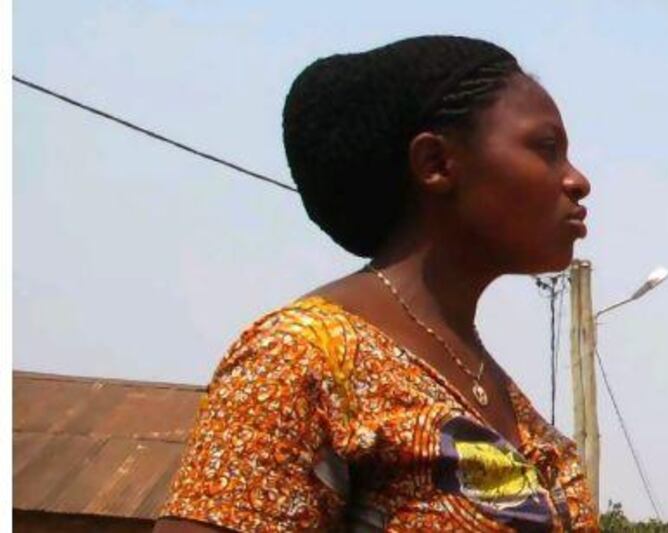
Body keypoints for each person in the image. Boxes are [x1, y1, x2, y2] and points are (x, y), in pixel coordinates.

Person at [154, 35, 595, 532]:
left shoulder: (502, 397)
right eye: (547, 149)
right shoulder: (300, 360)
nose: (577, 181)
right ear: (435, 164)